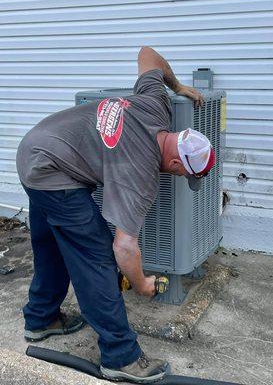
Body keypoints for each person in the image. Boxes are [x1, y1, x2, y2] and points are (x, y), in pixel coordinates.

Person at [16, 47, 215, 383]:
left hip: (35, 150)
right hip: (53, 172)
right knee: (96, 258)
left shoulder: (155, 105)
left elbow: (147, 54)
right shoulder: (140, 174)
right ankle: (120, 356)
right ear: (177, 163)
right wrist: (141, 283)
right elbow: (124, 248)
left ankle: (41, 319)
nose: (180, 178)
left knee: (53, 244)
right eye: (184, 175)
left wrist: (176, 86)